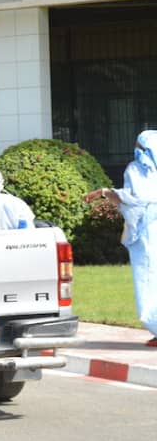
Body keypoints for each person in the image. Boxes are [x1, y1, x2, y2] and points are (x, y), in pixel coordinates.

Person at [85, 130, 157, 347]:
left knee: (147, 278)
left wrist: (106, 192)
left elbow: (136, 199)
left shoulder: (136, 169)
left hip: (146, 231)